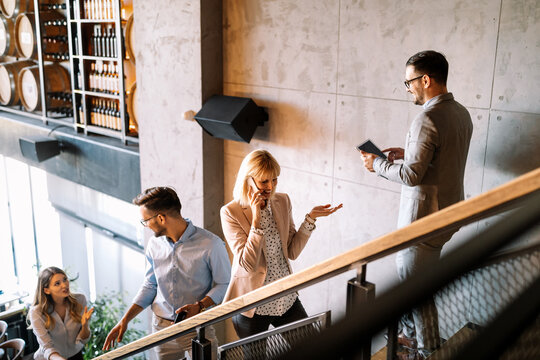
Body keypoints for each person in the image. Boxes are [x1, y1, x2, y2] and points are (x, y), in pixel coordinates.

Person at [360, 50, 473, 360]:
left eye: (408, 81)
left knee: (416, 293)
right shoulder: (460, 112)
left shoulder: (426, 117)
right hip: (449, 214)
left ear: (426, 79)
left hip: (423, 221)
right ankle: (409, 342)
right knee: (416, 286)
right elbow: (439, 158)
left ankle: (426, 352)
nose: (407, 88)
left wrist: (377, 165)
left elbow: (412, 175)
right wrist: (406, 151)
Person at [221, 149, 343, 339]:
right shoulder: (230, 212)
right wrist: (256, 220)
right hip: (252, 305)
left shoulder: (282, 200)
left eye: (274, 179)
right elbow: (247, 264)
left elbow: (292, 251)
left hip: (285, 298)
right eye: (264, 181)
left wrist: (310, 220)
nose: (270, 186)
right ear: (249, 179)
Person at [103, 186, 231, 360]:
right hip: (161, 327)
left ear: (161, 218)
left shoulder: (211, 244)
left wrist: (200, 305)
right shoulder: (154, 245)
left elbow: (224, 283)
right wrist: (125, 319)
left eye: (146, 220)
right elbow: (150, 285)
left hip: (197, 326)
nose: (146, 226)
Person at [29, 267, 94, 360]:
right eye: (57, 283)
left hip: (75, 355)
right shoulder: (36, 312)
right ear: (47, 290)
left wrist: (85, 325)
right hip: (51, 358)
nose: (64, 285)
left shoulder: (80, 300)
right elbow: (47, 347)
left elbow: (83, 340)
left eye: (65, 279)